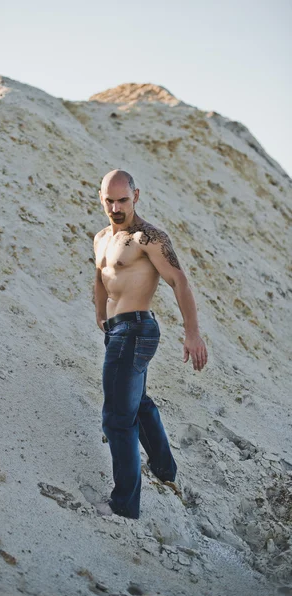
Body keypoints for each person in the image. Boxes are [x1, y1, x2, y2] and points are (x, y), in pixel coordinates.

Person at [93, 169, 208, 519]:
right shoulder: (101, 238)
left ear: (136, 196)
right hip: (117, 331)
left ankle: (124, 505)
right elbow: (100, 277)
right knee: (137, 403)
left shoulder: (149, 237)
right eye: (109, 200)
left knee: (116, 419)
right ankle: (165, 470)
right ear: (101, 198)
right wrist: (101, 316)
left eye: (123, 200)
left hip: (136, 330)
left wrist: (192, 332)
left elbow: (178, 280)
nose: (116, 207)